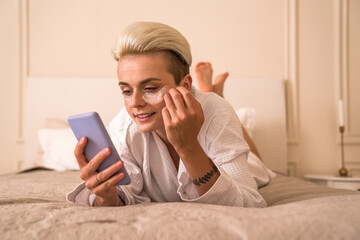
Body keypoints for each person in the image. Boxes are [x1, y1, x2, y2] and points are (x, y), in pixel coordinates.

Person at [67, 22, 268, 207]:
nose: (135, 103)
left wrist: (188, 147)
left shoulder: (216, 112)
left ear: (185, 85)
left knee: (259, 166)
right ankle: (211, 90)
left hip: (241, 158)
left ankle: (214, 93)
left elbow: (250, 203)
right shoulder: (123, 127)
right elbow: (125, 197)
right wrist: (107, 196)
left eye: (151, 88)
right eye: (127, 91)